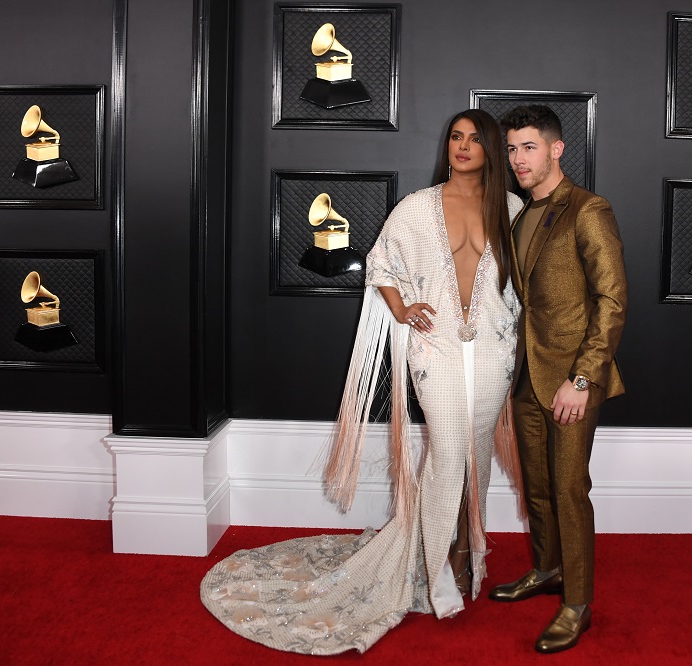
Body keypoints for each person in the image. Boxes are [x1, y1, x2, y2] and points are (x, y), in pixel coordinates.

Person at [200, 108, 525, 655]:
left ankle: (469, 551)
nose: (462, 147)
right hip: (436, 348)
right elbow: (380, 265)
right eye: (455, 137)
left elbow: (525, 284)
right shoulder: (417, 208)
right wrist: (402, 310)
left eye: (474, 139)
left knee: (474, 450)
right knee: (447, 450)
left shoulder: (512, 209)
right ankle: (436, 571)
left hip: (494, 351)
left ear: (492, 149)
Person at [488, 105, 627, 654]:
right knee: (538, 488)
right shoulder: (522, 215)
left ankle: (578, 603)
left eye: (528, 147)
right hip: (526, 375)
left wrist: (584, 378)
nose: (519, 159)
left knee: (569, 490)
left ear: (556, 148)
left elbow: (612, 302)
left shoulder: (588, 210)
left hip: (573, 379)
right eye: (513, 149)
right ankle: (546, 570)